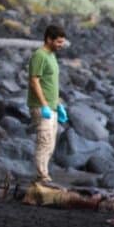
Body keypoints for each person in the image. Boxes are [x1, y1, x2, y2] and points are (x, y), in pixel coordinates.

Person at [26, 24, 68, 185]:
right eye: (58, 42)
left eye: (62, 42)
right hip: (40, 107)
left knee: (50, 144)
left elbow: (50, 83)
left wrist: (58, 104)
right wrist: (43, 105)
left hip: (52, 107)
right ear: (49, 39)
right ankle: (42, 177)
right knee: (44, 141)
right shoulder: (39, 56)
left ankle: (43, 175)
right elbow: (34, 81)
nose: (61, 45)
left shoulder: (52, 55)